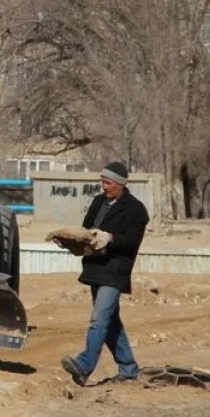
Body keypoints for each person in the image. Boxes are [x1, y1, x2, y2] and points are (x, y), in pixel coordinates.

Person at [60, 161, 150, 386]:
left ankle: (84, 365)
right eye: (102, 182)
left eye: (108, 183)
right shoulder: (98, 202)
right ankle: (128, 368)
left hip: (115, 271)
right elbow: (87, 231)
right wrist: (71, 240)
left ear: (120, 184)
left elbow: (131, 242)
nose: (104, 186)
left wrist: (110, 238)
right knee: (110, 322)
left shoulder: (135, 209)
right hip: (95, 269)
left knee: (99, 319)